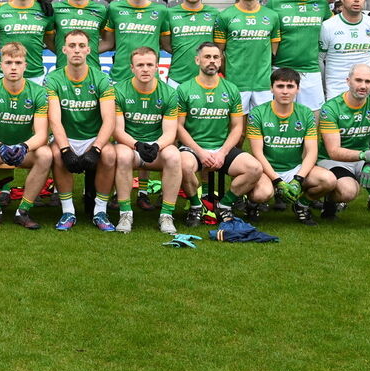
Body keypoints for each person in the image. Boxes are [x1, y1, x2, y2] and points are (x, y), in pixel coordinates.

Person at [175, 42, 269, 226]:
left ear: (221, 61)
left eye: (216, 57)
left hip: (221, 148)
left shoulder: (231, 89)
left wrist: (222, 153)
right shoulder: (184, 89)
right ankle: (196, 206)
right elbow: (179, 127)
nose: (212, 61)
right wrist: (201, 153)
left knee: (255, 168)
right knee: (183, 165)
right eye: (207, 57)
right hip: (193, 148)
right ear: (197, 60)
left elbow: (237, 128)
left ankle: (225, 205)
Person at [0, 42, 53, 229]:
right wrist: (0, 147)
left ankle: (23, 211)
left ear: (25, 65)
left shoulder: (38, 92)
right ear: (0, 65)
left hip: (23, 150)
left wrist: (24, 147)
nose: (13, 67)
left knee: (46, 154)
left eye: (18, 62)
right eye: (8, 62)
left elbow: (42, 134)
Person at [317, 64, 370, 233]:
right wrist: (366, 155)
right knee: (348, 193)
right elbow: (334, 150)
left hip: (364, 157)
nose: (363, 86)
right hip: (333, 160)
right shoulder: (331, 107)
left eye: (368, 81)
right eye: (358, 80)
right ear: (348, 81)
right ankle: (330, 200)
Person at [46, 30, 117, 232]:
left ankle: (100, 211)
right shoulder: (54, 79)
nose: (76, 50)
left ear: (88, 50)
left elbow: (109, 120)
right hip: (67, 136)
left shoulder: (102, 79)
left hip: (92, 137)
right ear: (64, 49)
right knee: (56, 154)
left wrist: (96, 149)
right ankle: (68, 211)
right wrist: (66, 150)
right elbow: (55, 120)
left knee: (110, 154)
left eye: (81, 45)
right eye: (72, 45)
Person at [246, 69, 336, 226]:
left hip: (294, 168)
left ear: (298, 89)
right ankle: (253, 204)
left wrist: (298, 179)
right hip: (266, 170)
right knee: (263, 193)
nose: (285, 91)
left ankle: (301, 205)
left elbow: (312, 152)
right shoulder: (258, 113)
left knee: (328, 180)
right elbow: (257, 153)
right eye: (280, 86)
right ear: (271, 88)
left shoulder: (306, 113)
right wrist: (277, 180)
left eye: (290, 86)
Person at [111, 46, 183, 233]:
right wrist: (137, 145)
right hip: (131, 146)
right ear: (132, 68)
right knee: (124, 156)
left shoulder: (169, 93)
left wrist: (156, 145)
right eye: (140, 65)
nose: (145, 69)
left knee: (174, 156)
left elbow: (170, 133)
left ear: (157, 67)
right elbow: (117, 131)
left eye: (149, 65)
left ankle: (166, 215)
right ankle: (125, 213)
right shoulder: (119, 91)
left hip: (156, 147)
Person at [267, 0, 332, 110]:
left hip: (311, 71)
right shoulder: (275, 3)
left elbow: (330, 30)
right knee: (280, 121)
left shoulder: (321, 3)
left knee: (314, 122)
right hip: (280, 70)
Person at [214, 0, 281, 112]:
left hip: (263, 84)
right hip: (235, 84)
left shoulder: (272, 16)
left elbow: (273, 50)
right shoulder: (224, 16)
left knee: (262, 127)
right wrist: (232, 74)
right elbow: (219, 53)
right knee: (236, 128)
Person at [101, 0, 171, 84]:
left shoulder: (161, 11)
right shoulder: (114, 8)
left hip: (150, 78)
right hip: (120, 77)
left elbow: (166, 45)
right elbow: (109, 43)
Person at [320, 0, 370, 101]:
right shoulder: (327, 26)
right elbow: (319, 60)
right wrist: (324, 86)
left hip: (368, 91)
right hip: (336, 91)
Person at [165, 0, 218, 88]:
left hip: (208, 80)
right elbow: (166, 45)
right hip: (177, 80)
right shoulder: (169, 14)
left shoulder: (215, 14)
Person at [51, 0, 107, 70]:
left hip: (93, 71)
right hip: (63, 72)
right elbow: (48, 38)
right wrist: (63, 50)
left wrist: (88, 50)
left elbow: (108, 41)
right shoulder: (55, 9)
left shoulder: (101, 10)